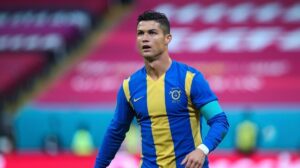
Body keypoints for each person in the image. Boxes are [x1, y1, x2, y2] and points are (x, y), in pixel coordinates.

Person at [94, 10, 229, 168]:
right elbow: (115, 133)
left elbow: (220, 121)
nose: (145, 38)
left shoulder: (189, 78)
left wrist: (202, 150)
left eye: (152, 33)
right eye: (140, 33)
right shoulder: (129, 86)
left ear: (167, 38)